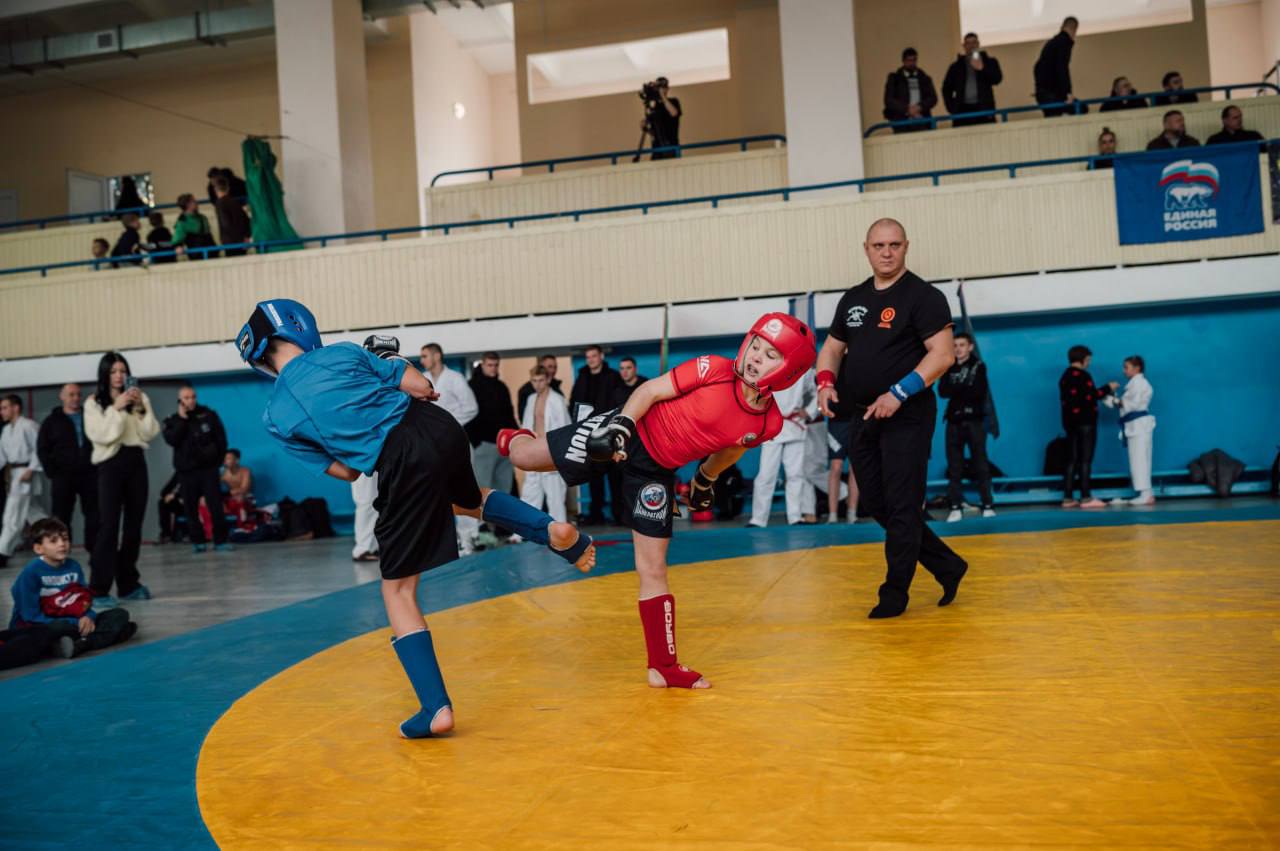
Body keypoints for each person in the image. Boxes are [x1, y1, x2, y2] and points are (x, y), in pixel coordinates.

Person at [235, 298, 595, 738]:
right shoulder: (343, 353)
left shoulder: (276, 417)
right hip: (438, 426)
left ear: (261, 359)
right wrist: (390, 360)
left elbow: (348, 471)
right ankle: (553, 530)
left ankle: (435, 707)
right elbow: (422, 387)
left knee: (398, 590)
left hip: (398, 458)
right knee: (467, 500)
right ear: (301, 327)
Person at [501, 312, 815, 688]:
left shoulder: (768, 423)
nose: (756, 357)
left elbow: (732, 448)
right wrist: (620, 426)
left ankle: (662, 667)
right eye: (756, 347)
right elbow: (650, 391)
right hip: (626, 431)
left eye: (770, 356)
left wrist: (705, 478)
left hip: (655, 473)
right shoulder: (714, 368)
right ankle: (515, 436)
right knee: (524, 458)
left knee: (653, 568)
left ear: (789, 371)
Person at [815, 218, 968, 619]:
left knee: (902, 504)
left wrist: (898, 393)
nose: (886, 252)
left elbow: (942, 355)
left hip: (907, 414)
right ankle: (947, 565)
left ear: (906, 247)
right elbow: (832, 348)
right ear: (866, 248)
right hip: (863, 413)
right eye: (879, 245)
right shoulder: (852, 299)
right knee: (878, 504)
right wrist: (825, 381)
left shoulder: (924, 296)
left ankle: (894, 593)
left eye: (894, 245)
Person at [85, 352, 160, 605]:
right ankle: (98, 589)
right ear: (105, 374)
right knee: (108, 526)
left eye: (122, 371)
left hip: (135, 461)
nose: (119, 376)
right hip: (109, 464)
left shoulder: (140, 397)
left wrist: (140, 409)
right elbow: (101, 435)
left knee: (133, 527)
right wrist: (115, 408)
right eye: (113, 371)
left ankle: (128, 584)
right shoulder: (94, 402)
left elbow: (149, 432)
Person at [9, 518, 136, 658]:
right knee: (60, 628)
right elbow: (30, 616)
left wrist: (87, 617)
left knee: (120, 614)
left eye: (65, 539)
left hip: (72, 622)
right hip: (42, 624)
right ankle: (94, 639)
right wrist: (76, 622)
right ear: (38, 548)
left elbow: (83, 600)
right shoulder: (31, 573)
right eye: (53, 541)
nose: (62, 544)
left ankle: (80, 644)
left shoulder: (73, 566)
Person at [418, 343, 481, 552]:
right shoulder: (422, 379)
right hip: (432, 444)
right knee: (435, 492)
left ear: (437, 356)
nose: (422, 360)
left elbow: (471, 408)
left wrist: (446, 425)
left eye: (425, 356)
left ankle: (470, 537)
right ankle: (445, 541)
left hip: (455, 440)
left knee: (462, 488)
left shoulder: (455, 378)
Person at [162, 385, 231, 554]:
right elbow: (172, 440)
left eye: (193, 397)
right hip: (186, 472)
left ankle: (221, 541)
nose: (191, 400)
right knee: (190, 508)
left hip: (209, 470)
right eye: (186, 398)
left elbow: (221, 440)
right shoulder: (172, 420)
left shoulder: (208, 415)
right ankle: (198, 541)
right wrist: (183, 419)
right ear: (180, 400)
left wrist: (217, 462)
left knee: (215, 506)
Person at [747, 365, 817, 527]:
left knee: (795, 474)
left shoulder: (803, 370)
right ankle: (758, 519)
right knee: (766, 474)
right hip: (773, 425)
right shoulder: (768, 367)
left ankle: (795, 516)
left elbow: (815, 392)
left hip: (795, 424)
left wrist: (809, 411)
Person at [938, 332, 995, 522]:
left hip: (974, 422)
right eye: (955, 345)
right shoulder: (948, 365)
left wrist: (957, 389)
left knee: (980, 464)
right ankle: (955, 506)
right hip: (953, 421)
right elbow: (943, 391)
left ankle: (987, 504)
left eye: (962, 345)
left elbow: (978, 392)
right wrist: (964, 385)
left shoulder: (978, 366)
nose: (958, 349)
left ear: (970, 347)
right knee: (954, 466)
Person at [37, 383, 98, 555]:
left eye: (78, 394)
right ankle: (62, 551)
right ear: (62, 396)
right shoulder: (51, 422)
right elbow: (42, 448)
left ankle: (94, 549)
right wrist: (52, 472)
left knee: (94, 514)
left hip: (90, 473)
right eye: (71, 394)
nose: (76, 398)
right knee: (61, 516)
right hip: (63, 475)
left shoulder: (91, 416)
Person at [466, 351, 518, 537]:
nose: (493, 368)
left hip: (503, 446)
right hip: (484, 446)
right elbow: (468, 415)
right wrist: (476, 442)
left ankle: (502, 526)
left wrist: (515, 438)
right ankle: (482, 528)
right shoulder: (472, 386)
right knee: (483, 489)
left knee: (503, 489)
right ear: (482, 365)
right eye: (490, 365)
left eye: (496, 365)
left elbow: (509, 415)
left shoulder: (501, 387)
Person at [569, 345, 623, 525]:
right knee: (594, 478)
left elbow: (619, 404)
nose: (590, 359)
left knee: (616, 477)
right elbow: (574, 403)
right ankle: (596, 515)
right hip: (589, 434)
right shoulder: (582, 378)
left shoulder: (613, 377)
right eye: (588, 357)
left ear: (601, 356)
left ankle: (619, 514)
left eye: (593, 356)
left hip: (610, 433)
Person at [516, 365, 571, 525]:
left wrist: (561, 456)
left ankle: (560, 531)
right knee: (529, 493)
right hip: (534, 451)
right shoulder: (531, 399)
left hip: (551, 452)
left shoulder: (557, 400)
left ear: (548, 379)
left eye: (540, 380)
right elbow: (526, 425)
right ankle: (522, 529)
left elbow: (565, 428)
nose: (537, 384)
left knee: (555, 497)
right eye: (534, 381)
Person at [1058, 345, 1110, 509]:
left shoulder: (1064, 376)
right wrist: (1108, 388)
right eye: (1088, 360)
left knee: (1071, 459)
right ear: (1083, 359)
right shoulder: (1083, 375)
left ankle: (1067, 498)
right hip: (1086, 422)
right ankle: (1086, 497)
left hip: (1070, 423)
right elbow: (1091, 396)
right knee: (1085, 460)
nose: (1089, 363)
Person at [0, 395, 47, 569]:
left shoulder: (29, 425)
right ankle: (55, 535)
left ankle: (2, 552)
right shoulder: (6, 430)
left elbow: (39, 448)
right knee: (33, 513)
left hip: (26, 471)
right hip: (14, 473)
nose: (1, 412)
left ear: (16, 408)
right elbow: (2, 455)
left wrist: (31, 469)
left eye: (5, 408)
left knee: (12, 515)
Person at [1102, 356, 1156, 505]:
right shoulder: (1135, 384)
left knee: (1140, 460)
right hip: (1135, 426)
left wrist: (1111, 398)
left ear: (1137, 368)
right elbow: (1124, 404)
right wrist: (1111, 398)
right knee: (1139, 459)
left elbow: (1129, 405)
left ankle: (1145, 494)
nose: (1123, 370)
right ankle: (1146, 493)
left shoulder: (1139, 384)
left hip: (1138, 426)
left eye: (1126, 367)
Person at [941, 33, 1003, 125]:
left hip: (984, 109)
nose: (971, 46)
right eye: (968, 43)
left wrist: (983, 68)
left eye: (974, 42)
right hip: (962, 111)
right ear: (964, 46)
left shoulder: (990, 62)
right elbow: (946, 88)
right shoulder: (956, 67)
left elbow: (997, 79)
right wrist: (952, 108)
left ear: (978, 44)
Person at [883, 48, 938, 133]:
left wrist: (919, 107)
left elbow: (933, 98)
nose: (912, 63)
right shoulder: (894, 78)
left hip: (921, 119)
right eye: (909, 60)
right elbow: (889, 100)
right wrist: (907, 109)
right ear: (903, 61)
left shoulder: (924, 78)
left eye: (914, 60)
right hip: (901, 122)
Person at [1034, 17, 1079, 117]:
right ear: (1074, 29)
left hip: (1044, 94)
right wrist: (1067, 93)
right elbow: (1062, 69)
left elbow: (1037, 68)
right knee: (1081, 108)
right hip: (1053, 94)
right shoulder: (1064, 43)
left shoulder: (1052, 43)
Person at [642, 77, 683, 159]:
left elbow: (674, 113)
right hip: (657, 150)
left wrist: (663, 97)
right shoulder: (654, 105)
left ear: (667, 89)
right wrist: (644, 125)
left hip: (671, 147)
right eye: (658, 88)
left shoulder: (673, 101)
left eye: (662, 87)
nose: (659, 90)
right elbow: (653, 129)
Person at [170, 193, 219, 261]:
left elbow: (209, 235)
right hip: (197, 256)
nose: (197, 203)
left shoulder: (202, 218)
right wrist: (178, 247)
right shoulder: (182, 222)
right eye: (194, 201)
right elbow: (177, 240)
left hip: (212, 254)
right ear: (188, 204)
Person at [213, 175, 252, 257]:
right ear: (228, 188)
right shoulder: (235, 202)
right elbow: (246, 220)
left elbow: (226, 224)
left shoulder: (220, 204)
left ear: (216, 189)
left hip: (230, 242)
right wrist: (246, 237)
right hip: (242, 241)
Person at [157, 473, 184, 543]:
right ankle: (166, 533)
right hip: (176, 500)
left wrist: (174, 496)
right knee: (162, 503)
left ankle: (181, 533)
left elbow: (192, 490)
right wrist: (167, 495)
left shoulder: (191, 474)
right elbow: (164, 491)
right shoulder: (178, 474)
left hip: (188, 498)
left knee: (182, 503)